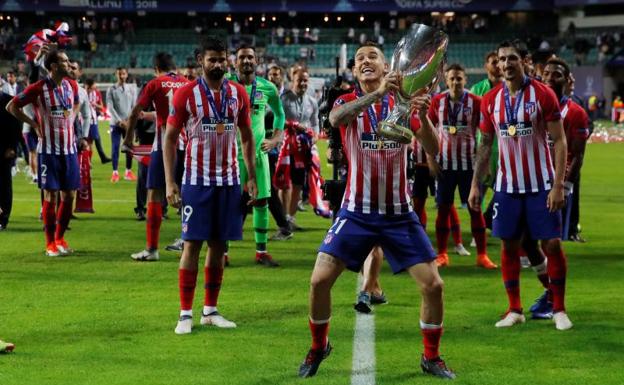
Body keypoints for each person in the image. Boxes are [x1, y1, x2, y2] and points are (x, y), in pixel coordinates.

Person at [298, 41, 455, 380]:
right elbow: (336, 118)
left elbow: (433, 147)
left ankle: (431, 356)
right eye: (359, 59)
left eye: (373, 57)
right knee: (318, 281)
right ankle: (318, 346)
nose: (365, 61)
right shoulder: (347, 103)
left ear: (387, 67)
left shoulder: (403, 105)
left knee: (434, 286)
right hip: (356, 212)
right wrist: (377, 93)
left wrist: (423, 116)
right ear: (355, 72)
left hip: (399, 214)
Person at [468, 40, 573, 331]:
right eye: (502, 59)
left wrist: (557, 185)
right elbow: (486, 144)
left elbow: (560, 141)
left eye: (512, 58)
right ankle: (515, 308)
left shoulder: (543, 94)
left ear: (525, 61)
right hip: (507, 186)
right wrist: (476, 185)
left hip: (541, 184)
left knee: (551, 244)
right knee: (509, 245)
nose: (506, 64)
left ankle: (559, 308)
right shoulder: (490, 100)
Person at [163, 36, 257, 334]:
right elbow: (169, 138)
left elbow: (246, 136)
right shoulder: (186, 95)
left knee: (219, 245)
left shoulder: (238, 93)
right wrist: (170, 182)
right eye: (211, 59)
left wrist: (251, 176)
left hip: (229, 181)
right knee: (191, 244)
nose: (217, 64)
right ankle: (184, 313)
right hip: (196, 181)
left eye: (221, 58)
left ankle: (210, 310)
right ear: (200, 60)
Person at [525, 58, 590, 320]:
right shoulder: (533, 106)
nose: (551, 77)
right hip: (529, 183)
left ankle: (556, 302)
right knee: (523, 241)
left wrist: (563, 186)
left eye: (558, 74)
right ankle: (550, 292)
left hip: (555, 186)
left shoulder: (575, 113)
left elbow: (577, 154)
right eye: (547, 73)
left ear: (567, 80)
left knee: (550, 243)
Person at [6, 49, 80, 256]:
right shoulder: (38, 88)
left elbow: (74, 105)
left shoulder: (71, 85)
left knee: (70, 195)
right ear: (54, 66)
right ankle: (49, 244)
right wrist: (33, 124)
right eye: (65, 61)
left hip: (70, 150)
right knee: (52, 195)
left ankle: (60, 238)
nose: (70, 64)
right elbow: (12, 106)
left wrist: (72, 120)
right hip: (48, 151)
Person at [429, 64, 497, 269]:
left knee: (475, 209)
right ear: (446, 80)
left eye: (459, 78)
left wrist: (485, 164)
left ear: (465, 80)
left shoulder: (476, 102)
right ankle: (442, 254)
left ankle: (482, 255)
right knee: (443, 209)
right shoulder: (437, 101)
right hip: (445, 166)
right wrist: (431, 158)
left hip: (469, 165)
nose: (455, 82)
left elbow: (486, 133)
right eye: (451, 78)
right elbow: (428, 129)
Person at [123, 52, 189, 261]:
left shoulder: (154, 84)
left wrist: (127, 140)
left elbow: (135, 112)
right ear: (174, 67)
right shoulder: (187, 83)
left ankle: (152, 249)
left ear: (155, 69)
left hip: (162, 146)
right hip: (186, 145)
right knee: (187, 194)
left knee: (155, 195)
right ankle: (186, 240)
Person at [226, 44, 285, 267]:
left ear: (256, 61)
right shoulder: (226, 85)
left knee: (261, 201)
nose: (247, 61)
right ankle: (223, 253)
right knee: (230, 204)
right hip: (231, 155)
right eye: (242, 57)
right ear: (235, 62)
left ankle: (261, 252)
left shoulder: (267, 87)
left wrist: (276, 138)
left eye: (250, 57)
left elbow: (280, 114)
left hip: (259, 155)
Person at [280, 67, 319, 231]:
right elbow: (275, 120)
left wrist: (315, 137)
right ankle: (282, 220)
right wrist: (292, 127)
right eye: (299, 80)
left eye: (305, 80)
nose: (303, 83)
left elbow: (315, 123)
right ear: (292, 81)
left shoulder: (312, 101)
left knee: (297, 183)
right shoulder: (283, 99)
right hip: (286, 147)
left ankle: (291, 218)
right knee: (284, 184)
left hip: (303, 149)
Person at [265, 65, 294, 240]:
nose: (272, 77)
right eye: (270, 74)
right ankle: (284, 225)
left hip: (276, 149)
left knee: (271, 189)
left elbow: (284, 120)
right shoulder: (264, 93)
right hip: (263, 148)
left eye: (276, 74)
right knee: (266, 190)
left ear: (282, 77)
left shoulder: (286, 97)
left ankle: (285, 225)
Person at [107, 66, 137, 183]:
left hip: (128, 123)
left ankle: (128, 172)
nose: (122, 76)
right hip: (116, 123)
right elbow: (110, 107)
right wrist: (119, 121)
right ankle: (115, 173)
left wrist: (129, 121)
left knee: (129, 147)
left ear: (127, 75)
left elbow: (134, 106)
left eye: (123, 74)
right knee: (115, 147)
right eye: (119, 74)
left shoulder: (131, 88)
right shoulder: (111, 89)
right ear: (116, 75)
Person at [0, 90, 22, 230]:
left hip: (4, 150)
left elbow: (16, 126)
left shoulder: (8, 100)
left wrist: (13, 147)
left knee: (4, 184)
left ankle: (3, 219)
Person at [84, 78, 112, 165]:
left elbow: (101, 107)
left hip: (93, 121)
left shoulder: (96, 93)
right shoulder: (82, 93)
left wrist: (95, 105)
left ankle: (89, 162)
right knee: (87, 142)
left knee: (90, 142)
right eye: (93, 85)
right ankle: (88, 162)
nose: (94, 87)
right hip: (84, 121)